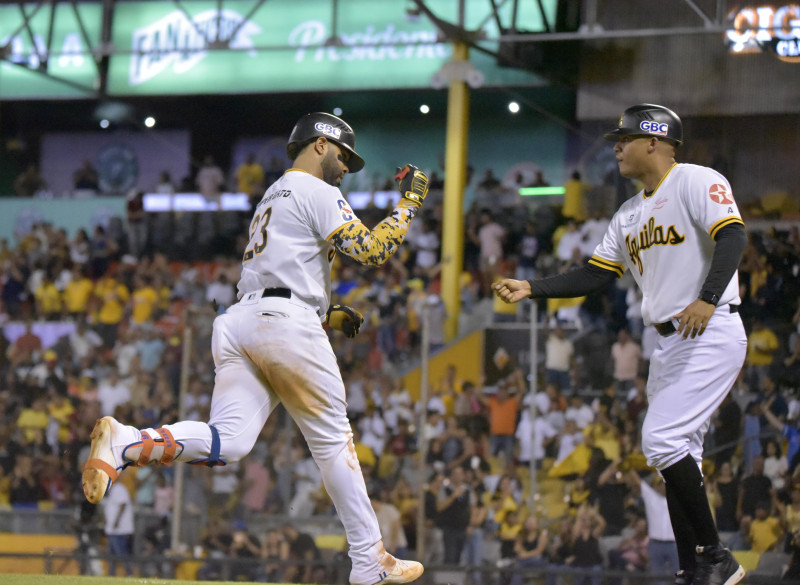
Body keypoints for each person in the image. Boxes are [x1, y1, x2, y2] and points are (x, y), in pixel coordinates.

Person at [81, 112, 428, 585]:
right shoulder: (317, 190)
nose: (347, 166)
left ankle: (128, 442)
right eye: (344, 155)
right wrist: (408, 205)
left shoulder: (274, 193)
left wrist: (324, 310)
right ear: (321, 145)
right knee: (332, 440)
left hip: (241, 320)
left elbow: (281, 269)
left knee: (231, 441)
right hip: (284, 322)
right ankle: (370, 560)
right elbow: (371, 250)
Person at [493, 103, 748, 585]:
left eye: (624, 138)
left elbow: (733, 237)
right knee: (680, 457)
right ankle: (694, 569)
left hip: (710, 330)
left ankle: (717, 556)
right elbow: (593, 276)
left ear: (654, 140)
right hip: (668, 343)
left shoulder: (695, 180)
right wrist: (532, 287)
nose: (616, 146)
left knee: (660, 441)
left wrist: (708, 298)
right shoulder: (629, 213)